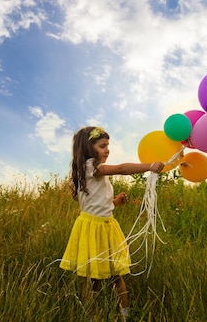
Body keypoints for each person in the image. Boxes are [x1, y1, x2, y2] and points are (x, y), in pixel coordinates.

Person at [60, 126, 165, 320]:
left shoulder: (88, 172)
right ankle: (90, 315)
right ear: (88, 148)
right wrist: (149, 166)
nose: (107, 150)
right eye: (102, 146)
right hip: (93, 229)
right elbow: (121, 169)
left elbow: (95, 203)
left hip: (106, 226)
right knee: (92, 277)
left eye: (107, 145)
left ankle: (125, 314)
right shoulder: (90, 166)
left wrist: (115, 202)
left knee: (116, 274)